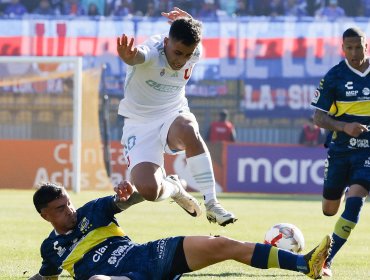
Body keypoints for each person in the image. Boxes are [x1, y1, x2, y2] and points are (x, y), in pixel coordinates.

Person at [28, 182, 332, 280]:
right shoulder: (50, 249)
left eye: (67, 203)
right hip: (116, 278)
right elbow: (45, 276)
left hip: (149, 256)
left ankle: (305, 264)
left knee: (222, 244)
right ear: (45, 216)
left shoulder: (92, 211)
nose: (69, 210)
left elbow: (127, 200)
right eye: (60, 209)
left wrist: (130, 191)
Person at [116, 7, 236, 226]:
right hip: (139, 123)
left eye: (188, 54)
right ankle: (173, 187)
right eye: (177, 53)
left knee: (189, 128)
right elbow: (139, 55)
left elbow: (195, 36)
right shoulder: (152, 51)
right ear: (166, 42)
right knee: (150, 190)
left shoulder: (195, 52)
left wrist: (190, 21)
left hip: (172, 113)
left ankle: (212, 204)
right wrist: (130, 57)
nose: (181, 60)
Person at [311, 27, 370, 277]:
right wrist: (344, 126)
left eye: (359, 47)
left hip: (367, 152)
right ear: (343, 48)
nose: (354, 53)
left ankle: (326, 260)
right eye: (350, 48)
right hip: (340, 150)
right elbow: (318, 117)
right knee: (329, 210)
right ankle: (349, 190)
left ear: (366, 45)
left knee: (355, 202)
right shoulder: (334, 76)